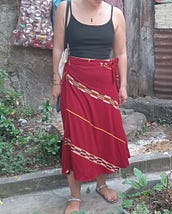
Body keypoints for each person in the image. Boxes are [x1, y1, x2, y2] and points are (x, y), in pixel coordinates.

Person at [51, 0, 130, 213]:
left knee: (102, 135)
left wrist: (122, 85)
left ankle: (101, 184)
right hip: (74, 83)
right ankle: (74, 197)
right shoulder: (65, 9)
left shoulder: (116, 14)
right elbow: (58, 47)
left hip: (105, 85)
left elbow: (121, 53)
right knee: (75, 136)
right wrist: (56, 83)